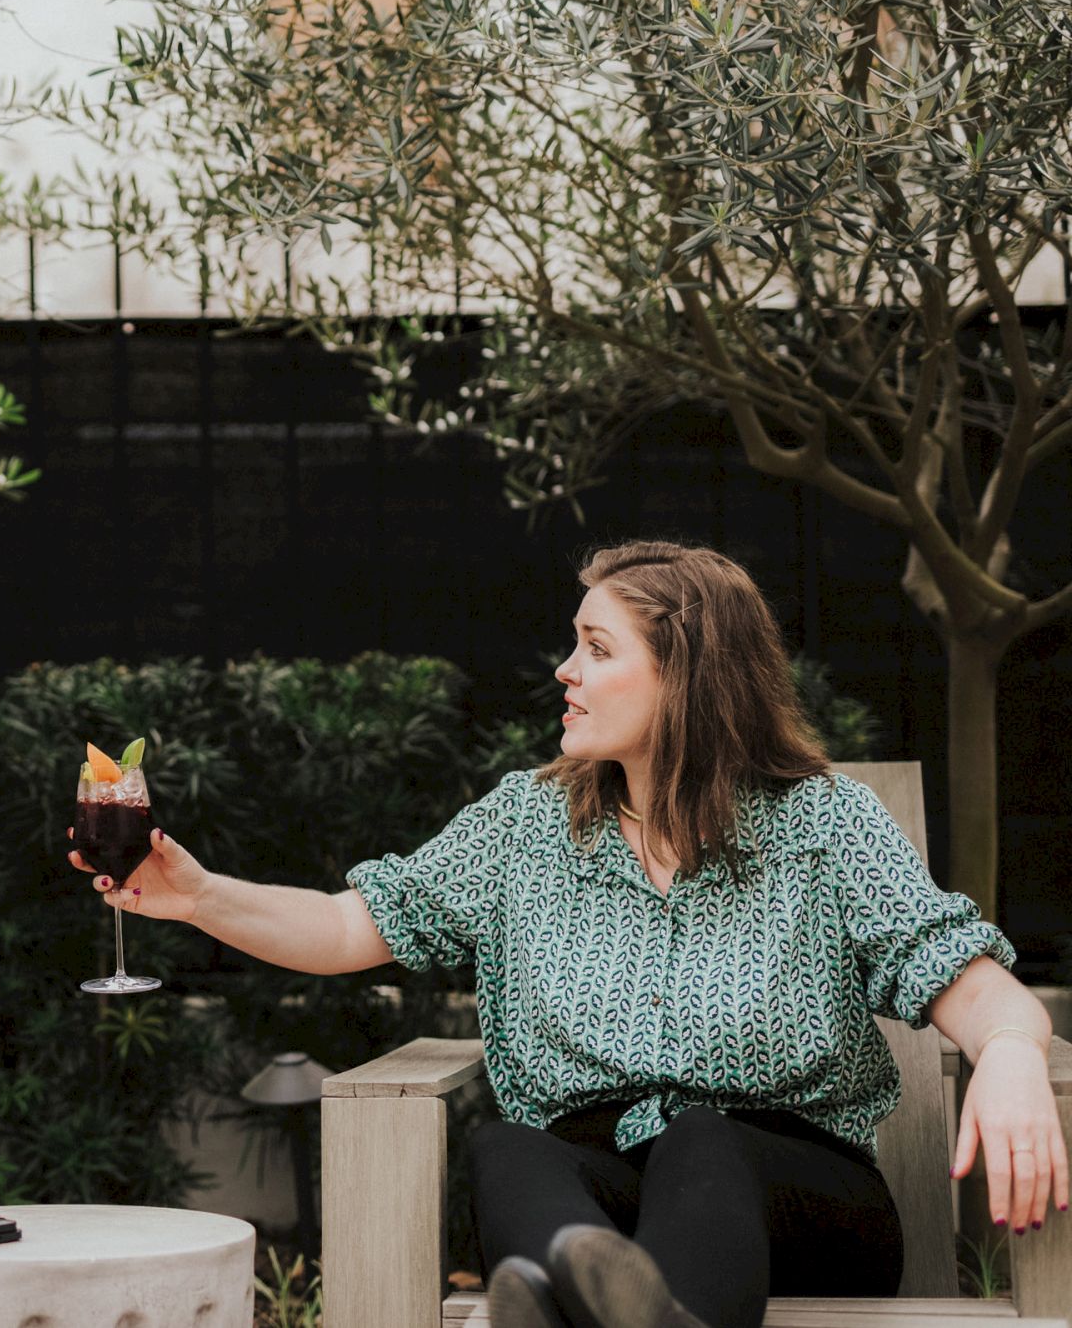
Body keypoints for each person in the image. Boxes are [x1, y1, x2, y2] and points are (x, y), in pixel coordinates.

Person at [74, 540, 1063, 1328]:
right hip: (601, 1192)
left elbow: (966, 980)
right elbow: (348, 925)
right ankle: (597, 1297)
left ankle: (576, 1302)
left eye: (596, 648)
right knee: (508, 1148)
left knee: (701, 1137)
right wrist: (199, 896)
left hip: (794, 1201)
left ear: (687, 675)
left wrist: (1013, 1053)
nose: (564, 670)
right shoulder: (525, 825)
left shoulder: (822, 825)